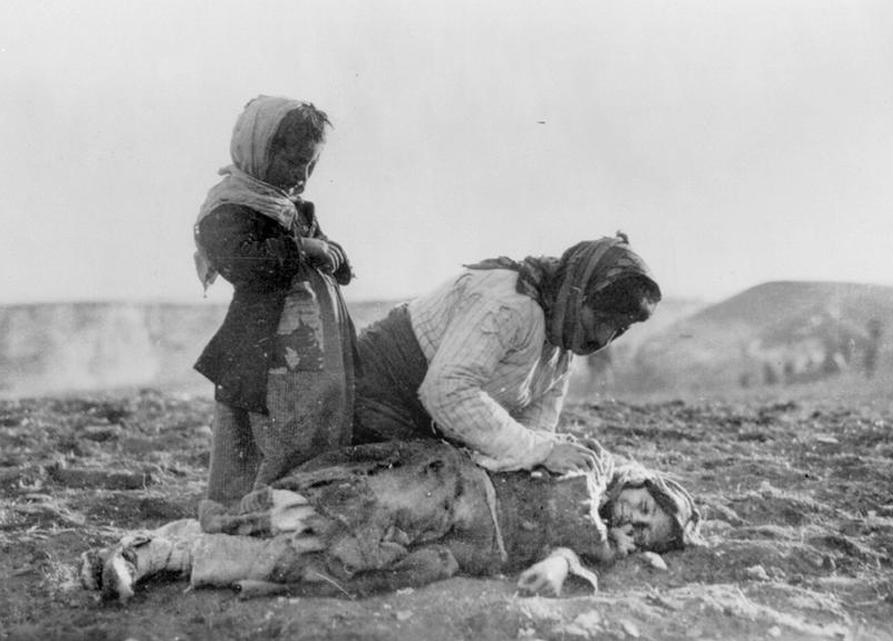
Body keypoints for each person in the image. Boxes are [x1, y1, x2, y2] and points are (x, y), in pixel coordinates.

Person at [80, 438, 701, 602]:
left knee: (324, 564)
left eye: (647, 531)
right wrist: (598, 539)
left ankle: (154, 558)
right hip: (448, 490)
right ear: (637, 482)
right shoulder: (591, 470)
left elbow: (566, 558)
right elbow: (574, 503)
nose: (633, 521)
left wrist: (568, 565)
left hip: (457, 545)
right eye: (642, 508)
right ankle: (153, 548)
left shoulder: (600, 543)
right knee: (330, 517)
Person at [353, 233, 661, 475]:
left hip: (432, 420)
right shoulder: (510, 303)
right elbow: (447, 391)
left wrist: (546, 455)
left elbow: (534, 427)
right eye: (604, 320)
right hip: (378, 393)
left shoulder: (561, 346)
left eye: (620, 329)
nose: (605, 337)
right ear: (578, 292)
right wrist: (542, 453)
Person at [192, 95, 358, 517]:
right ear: (259, 151)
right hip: (263, 352)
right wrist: (302, 248)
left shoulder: (292, 208)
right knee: (265, 439)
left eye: (311, 165)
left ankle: (295, 507)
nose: (302, 176)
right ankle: (248, 514)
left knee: (311, 430)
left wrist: (334, 257)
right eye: (293, 162)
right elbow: (243, 263)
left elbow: (328, 256)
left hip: (310, 354)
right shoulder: (228, 209)